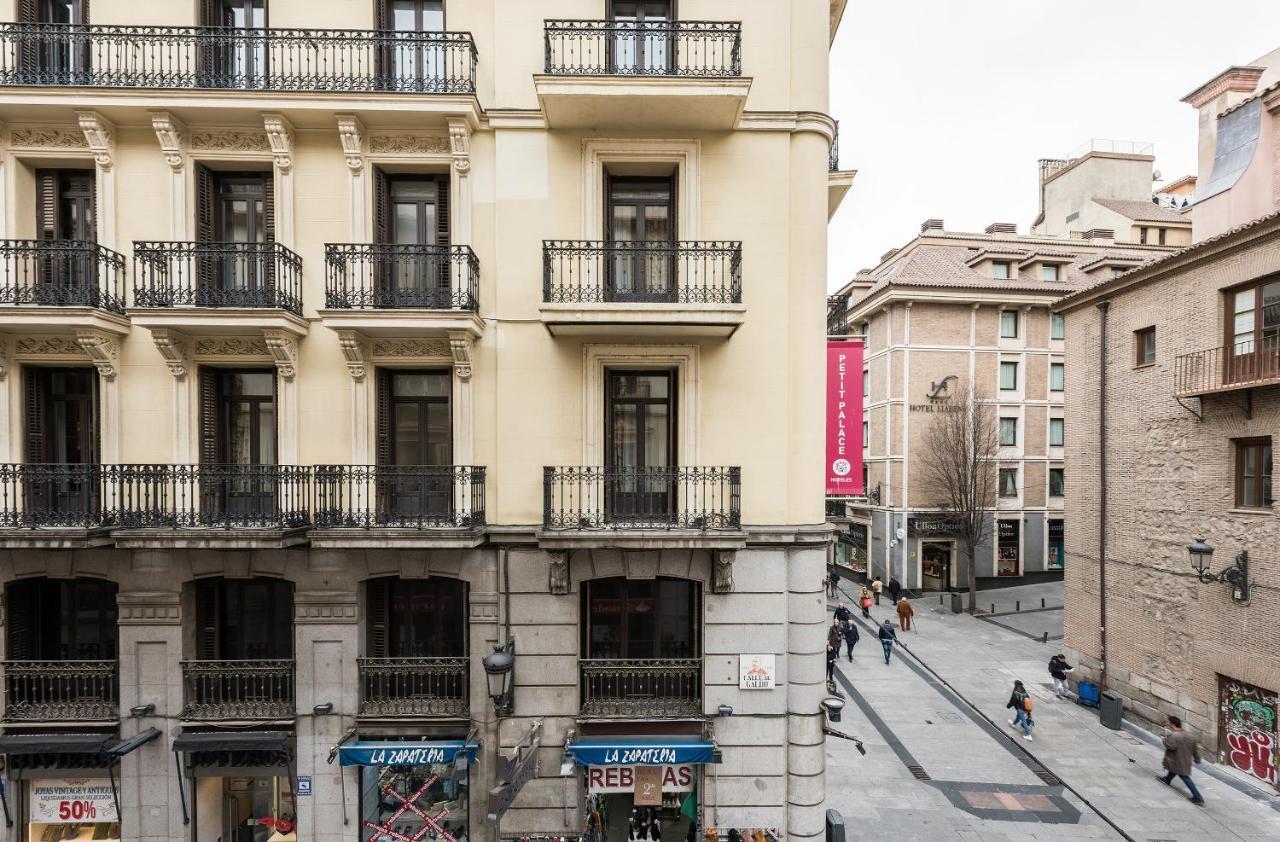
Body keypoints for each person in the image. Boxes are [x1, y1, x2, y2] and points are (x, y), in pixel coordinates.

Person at [1157, 715, 1204, 805]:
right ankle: (1166, 780)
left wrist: (1164, 739)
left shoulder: (1174, 735)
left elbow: (1170, 746)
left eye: (1169, 723)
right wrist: (1197, 759)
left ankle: (1198, 797)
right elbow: (1195, 749)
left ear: (1173, 724)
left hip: (1177, 760)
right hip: (1186, 760)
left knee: (1184, 777)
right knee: (1173, 771)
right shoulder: (1190, 736)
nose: (1169, 725)